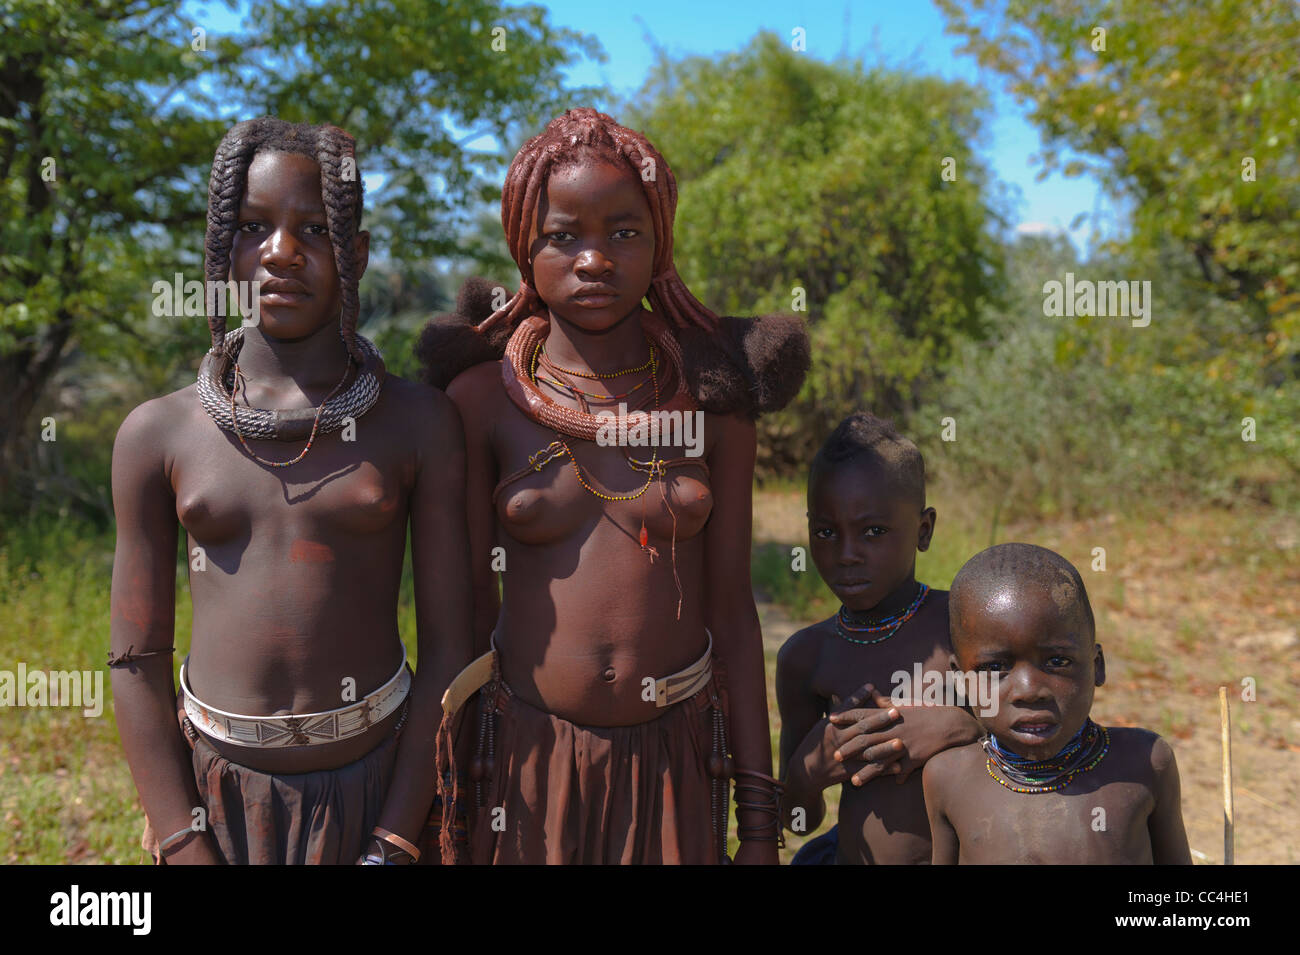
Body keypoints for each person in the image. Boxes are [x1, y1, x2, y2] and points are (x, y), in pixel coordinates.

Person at [417, 107, 809, 864]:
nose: (594, 258)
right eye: (564, 235)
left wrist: (759, 824)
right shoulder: (477, 401)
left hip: (679, 755)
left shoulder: (711, 400)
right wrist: (448, 803)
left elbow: (733, 611)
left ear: (660, 241)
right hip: (524, 758)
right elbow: (465, 615)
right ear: (522, 246)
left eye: (624, 231)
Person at [109, 117, 472, 865]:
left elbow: (450, 649)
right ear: (221, 251)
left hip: (380, 788)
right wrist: (181, 840)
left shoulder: (418, 423)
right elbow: (136, 660)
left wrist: (398, 835)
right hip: (214, 801)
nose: (282, 252)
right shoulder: (157, 435)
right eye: (252, 226)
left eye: (314, 227)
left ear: (356, 254)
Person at [777, 412, 980, 863]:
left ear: (923, 530)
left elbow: (1042, 741)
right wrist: (807, 774)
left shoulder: (962, 624)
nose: (846, 554)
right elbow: (794, 821)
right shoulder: (806, 658)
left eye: (874, 532)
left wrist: (963, 727)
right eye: (826, 532)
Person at [923, 543, 1192, 864]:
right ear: (962, 680)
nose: (1029, 690)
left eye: (1056, 661)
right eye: (995, 668)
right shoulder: (949, 779)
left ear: (1097, 665)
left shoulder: (1144, 762)